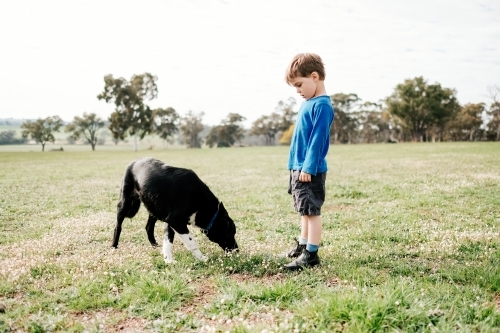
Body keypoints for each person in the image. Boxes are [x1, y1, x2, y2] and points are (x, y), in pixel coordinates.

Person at [283, 53, 334, 270]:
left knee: (312, 211)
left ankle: (311, 254)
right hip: (299, 167)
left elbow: (317, 140)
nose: (297, 90)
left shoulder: (322, 105)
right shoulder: (309, 102)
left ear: (314, 76)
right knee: (304, 209)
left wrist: (308, 166)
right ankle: (303, 245)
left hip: (308, 169)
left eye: (299, 84)